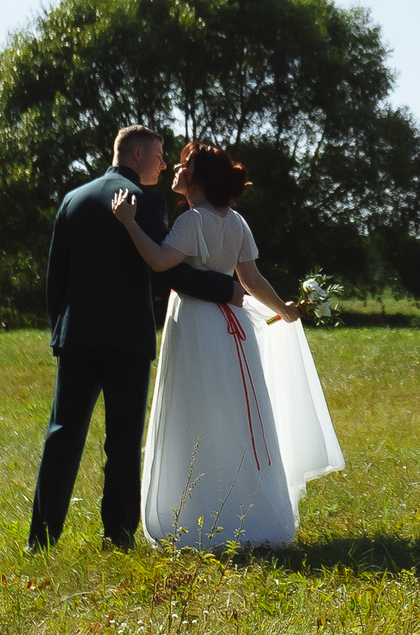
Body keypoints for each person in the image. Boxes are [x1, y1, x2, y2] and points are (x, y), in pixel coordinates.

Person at [111, 140, 344, 551]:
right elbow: (252, 280)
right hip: (235, 325)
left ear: (197, 178)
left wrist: (129, 222)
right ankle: (245, 507)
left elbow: (160, 262)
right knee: (236, 411)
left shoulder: (192, 221)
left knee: (195, 412)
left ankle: (196, 511)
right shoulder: (236, 222)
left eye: (184, 166)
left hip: (198, 322)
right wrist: (283, 309)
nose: (176, 171)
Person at [29, 126, 244, 550]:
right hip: (126, 340)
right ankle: (119, 538)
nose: (164, 164)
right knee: (123, 442)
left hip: (77, 338)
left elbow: (57, 275)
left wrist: (60, 331)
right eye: (160, 154)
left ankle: (41, 538)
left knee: (62, 434)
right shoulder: (145, 202)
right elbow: (167, 268)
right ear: (137, 152)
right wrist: (227, 289)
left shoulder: (74, 199)